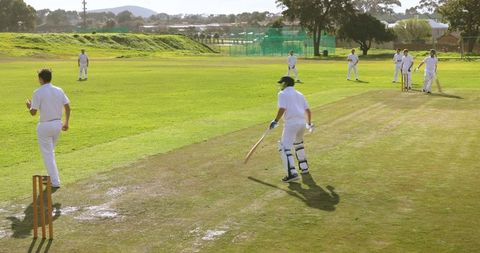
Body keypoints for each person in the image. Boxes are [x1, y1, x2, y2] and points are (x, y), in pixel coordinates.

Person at [26, 69, 71, 188]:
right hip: (57, 125)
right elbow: (67, 107)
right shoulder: (59, 90)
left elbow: (33, 112)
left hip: (45, 126)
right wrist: (66, 122)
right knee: (50, 153)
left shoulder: (37, 92)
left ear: (41, 79)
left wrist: (29, 106)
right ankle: (51, 177)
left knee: (48, 155)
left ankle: (55, 182)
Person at [269, 76, 313, 183]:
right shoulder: (299, 94)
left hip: (291, 124)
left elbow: (282, 108)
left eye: (282, 83)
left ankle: (292, 173)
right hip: (302, 123)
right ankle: (304, 168)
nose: (280, 85)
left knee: (284, 148)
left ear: (285, 83)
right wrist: (309, 123)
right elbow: (308, 110)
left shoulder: (282, 94)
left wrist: (275, 121)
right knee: (298, 144)